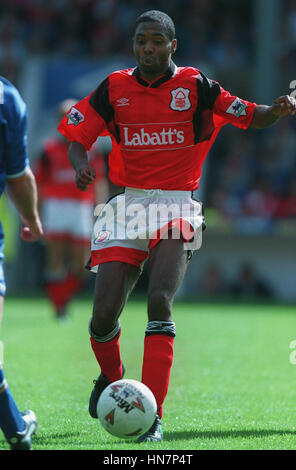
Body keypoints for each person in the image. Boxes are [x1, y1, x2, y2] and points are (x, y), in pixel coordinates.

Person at [57, 10, 296, 442]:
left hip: (178, 206)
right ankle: (112, 377)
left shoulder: (197, 87)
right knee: (102, 316)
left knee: (159, 301)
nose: (147, 48)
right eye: (140, 40)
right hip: (127, 204)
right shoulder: (114, 87)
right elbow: (78, 137)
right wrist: (80, 166)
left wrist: (276, 111)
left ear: (172, 46)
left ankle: (153, 416)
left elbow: (249, 114)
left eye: (155, 41)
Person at [34, 99, 109, 321]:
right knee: (55, 261)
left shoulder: (91, 149)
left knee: (82, 265)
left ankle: (62, 298)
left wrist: (101, 210)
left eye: (72, 116)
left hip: (81, 206)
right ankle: (59, 308)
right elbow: (38, 182)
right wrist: (35, 213)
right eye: (63, 116)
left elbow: (99, 181)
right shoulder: (49, 149)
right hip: (55, 206)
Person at [0, 75, 43, 449]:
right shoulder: (5, 96)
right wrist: (31, 218)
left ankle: (15, 425)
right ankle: (15, 426)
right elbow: (18, 176)